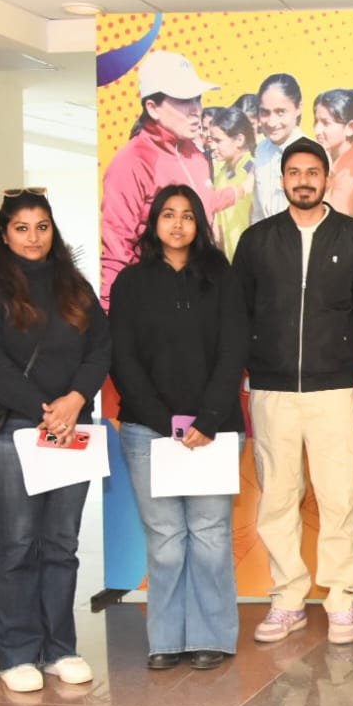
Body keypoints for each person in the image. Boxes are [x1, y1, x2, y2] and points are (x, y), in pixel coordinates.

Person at [0, 190, 111, 693]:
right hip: (15, 432)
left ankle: (59, 649)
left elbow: (100, 348)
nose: (33, 237)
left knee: (62, 544)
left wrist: (75, 400)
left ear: (53, 231)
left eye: (41, 227)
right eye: (21, 228)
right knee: (18, 542)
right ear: (5, 234)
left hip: (72, 429)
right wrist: (45, 411)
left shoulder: (75, 288)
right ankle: (16, 653)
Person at [234, 138, 353, 646]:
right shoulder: (257, 241)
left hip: (333, 389)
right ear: (283, 180)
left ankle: (341, 599)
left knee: (340, 497)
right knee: (278, 497)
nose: (303, 181)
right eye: (294, 172)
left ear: (326, 178)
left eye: (312, 172)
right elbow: (239, 314)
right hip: (271, 389)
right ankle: (288, 599)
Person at [110, 185, 249, 672]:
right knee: (166, 540)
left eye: (187, 216)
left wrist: (207, 418)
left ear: (199, 225)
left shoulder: (222, 277)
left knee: (210, 537)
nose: (177, 224)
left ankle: (212, 636)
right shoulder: (131, 283)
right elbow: (122, 356)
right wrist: (161, 421)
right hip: (148, 431)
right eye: (168, 214)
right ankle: (166, 639)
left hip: (214, 430)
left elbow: (234, 350)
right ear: (154, 222)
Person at [100, 49, 218, 307]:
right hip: (154, 305)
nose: (196, 110)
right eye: (184, 100)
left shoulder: (197, 155)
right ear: (152, 108)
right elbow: (116, 249)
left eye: (197, 99)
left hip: (202, 300)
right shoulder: (131, 161)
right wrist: (111, 318)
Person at [250, 73, 308, 224]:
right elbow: (258, 211)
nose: (271, 122)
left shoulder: (313, 154)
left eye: (280, 112)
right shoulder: (261, 150)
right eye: (265, 112)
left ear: (298, 108)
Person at [313, 87, 353, 222]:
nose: (317, 130)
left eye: (326, 123)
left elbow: (334, 222)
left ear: (350, 128)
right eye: (316, 121)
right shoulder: (332, 157)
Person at [205, 106, 258, 259]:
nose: (212, 146)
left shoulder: (253, 172)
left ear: (239, 140)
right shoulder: (222, 173)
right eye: (212, 140)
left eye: (218, 141)